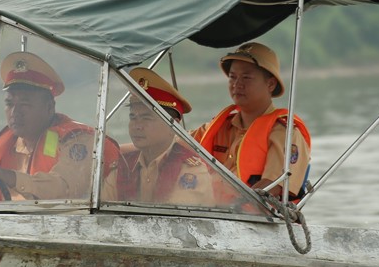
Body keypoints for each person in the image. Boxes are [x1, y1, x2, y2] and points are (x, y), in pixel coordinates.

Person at [0, 51, 120, 201]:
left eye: (25, 104)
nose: (15, 112)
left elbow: (64, 188)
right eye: (9, 103)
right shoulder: (7, 144)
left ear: (49, 107)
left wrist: (6, 176)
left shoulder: (80, 141)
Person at [191, 42, 311, 200]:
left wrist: (234, 205)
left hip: (254, 219)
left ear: (270, 84)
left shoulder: (284, 133)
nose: (236, 84)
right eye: (232, 77)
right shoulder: (219, 127)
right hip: (212, 216)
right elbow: (176, 141)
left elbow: (272, 186)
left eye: (246, 77)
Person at [103, 68, 213, 206]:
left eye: (146, 118)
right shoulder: (123, 166)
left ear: (173, 125)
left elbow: (174, 220)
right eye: (133, 117)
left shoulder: (191, 170)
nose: (137, 126)